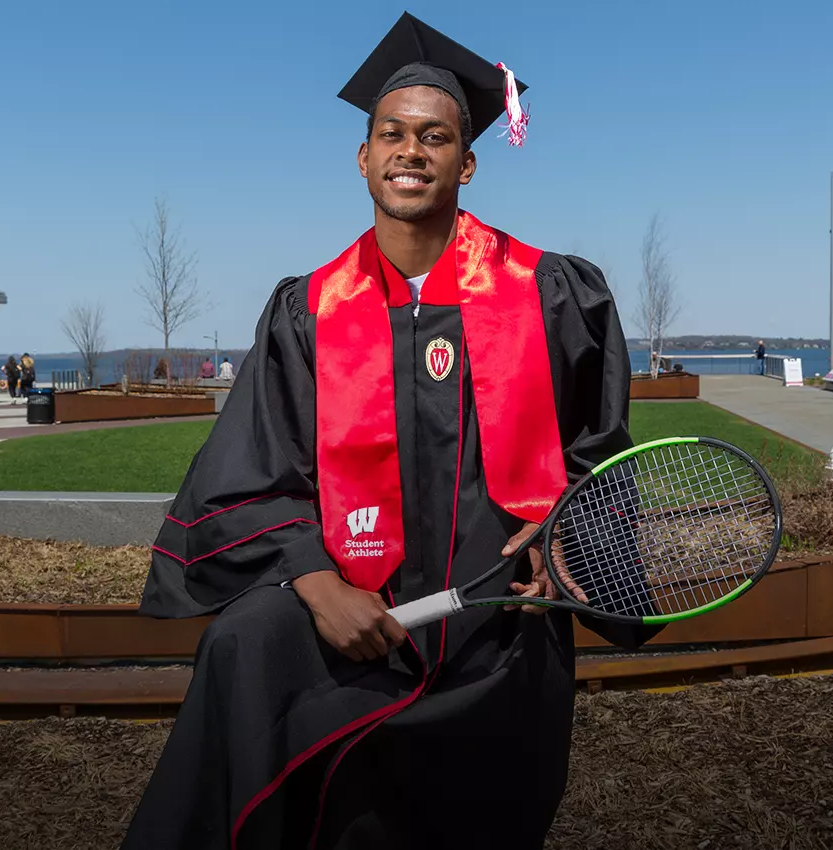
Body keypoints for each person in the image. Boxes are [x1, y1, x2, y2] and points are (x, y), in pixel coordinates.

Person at [121, 15, 658, 848]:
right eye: (392, 134)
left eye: (435, 136)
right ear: (364, 157)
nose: (411, 151)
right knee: (245, 651)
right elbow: (254, 468)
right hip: (353, 621)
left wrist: (569, 537)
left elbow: (600, 450)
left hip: (496, 624)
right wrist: (314, 583)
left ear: (466, 162)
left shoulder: (551, 294)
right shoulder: (310, 311)